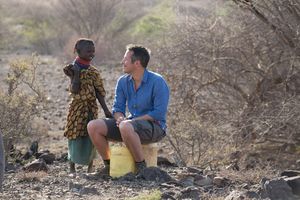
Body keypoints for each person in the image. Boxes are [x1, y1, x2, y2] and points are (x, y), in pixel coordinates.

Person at [88, 44, 169, 175]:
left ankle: (141, 168)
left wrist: (130, 122)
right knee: (93, 126)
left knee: (126, 126)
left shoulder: (158, 81)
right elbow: (117, 108)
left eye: (125, 59)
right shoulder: (122, 82)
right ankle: (109, 166)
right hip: (128, 127)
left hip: (155, 128)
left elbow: (158, 113)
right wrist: (119, 118)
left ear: (137, 63)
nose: (122, 62)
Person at [63, 38, 112, 175]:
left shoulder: (94, 72)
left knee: (91, 136)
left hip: (91, 107)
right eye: (88, 51)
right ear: (78, 52)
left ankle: (90, 167)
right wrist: (77, 74)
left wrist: (106, 110)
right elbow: (74, 90)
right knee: (74, 134)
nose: (92, 53)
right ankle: (72, 167)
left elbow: (99, 92)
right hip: (77, 108)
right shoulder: (71, 69)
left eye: (93, 51)